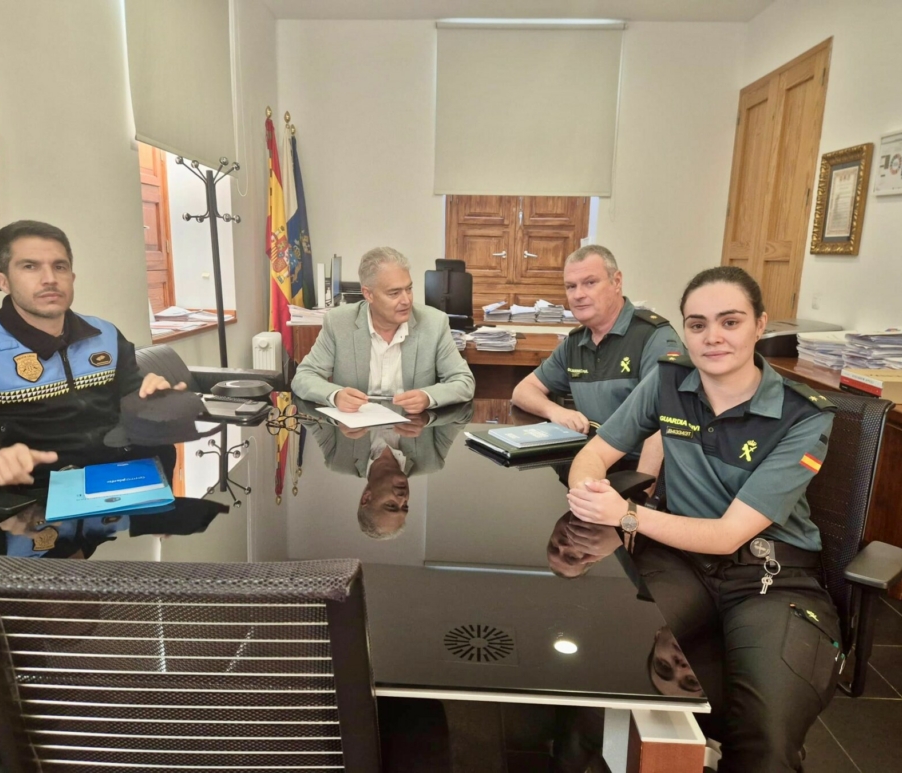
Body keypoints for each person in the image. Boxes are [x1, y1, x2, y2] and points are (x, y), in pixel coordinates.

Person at [565, 266, 840, 773]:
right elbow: (596, 453)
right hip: (679, 562)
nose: (712, 337)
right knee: (600, 672)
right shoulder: (669, 380)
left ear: (760, 325)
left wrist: (627, 515)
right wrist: (589, 490)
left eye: (730, 322)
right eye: (697, 324)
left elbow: (729, 534)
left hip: (770, 577)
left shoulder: (803, 415)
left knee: (765, 738)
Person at [0, 220, 182, 489]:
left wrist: (155, 403)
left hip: (118, 483)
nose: (50, 279)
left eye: (59, 267)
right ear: (3, 282)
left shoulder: (105, 334)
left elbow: (133, 397)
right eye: (30, 266)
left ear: (72, 278)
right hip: (32, 497)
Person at [511, 245, 684, 475]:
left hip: (638, 469)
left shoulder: (653, 337)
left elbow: (666, 424)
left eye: (590, 283)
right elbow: (523, 391)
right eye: (571, 286)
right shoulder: (575, 342)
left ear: (616, 281)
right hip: (592, 461)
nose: (578, 295)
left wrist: (642, 490)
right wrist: (557, 412)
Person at [291, 247, 475, 413]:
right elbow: (304, 376)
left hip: (412, 431)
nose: (406, 300)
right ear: (368, 294)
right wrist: (335, 395)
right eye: (394, 293)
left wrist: (428, 397)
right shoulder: (339, 322)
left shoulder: (434, 323)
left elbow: (464, 381)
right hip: (356, 432)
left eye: (409, 289)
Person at [298, 399, 471, 539]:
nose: (403, 498)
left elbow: (301, 409)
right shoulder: (430, 460)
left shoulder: (339, 459)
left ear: (367, 497)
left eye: (391, 505)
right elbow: (465, 411)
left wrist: (337, 419)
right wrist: (428, 418)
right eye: (405, 507)